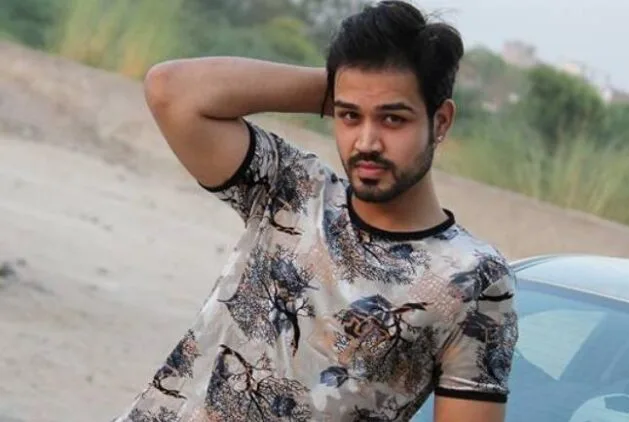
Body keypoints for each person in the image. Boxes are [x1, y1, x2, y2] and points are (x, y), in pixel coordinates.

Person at [114, 1, 518, 421]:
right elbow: (170, 90)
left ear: (441, 121)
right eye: (349, 116)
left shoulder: (473, 280)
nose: (366, 142)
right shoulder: (294, 189)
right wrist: (345, 84)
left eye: (393, 119)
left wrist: (360, 92)